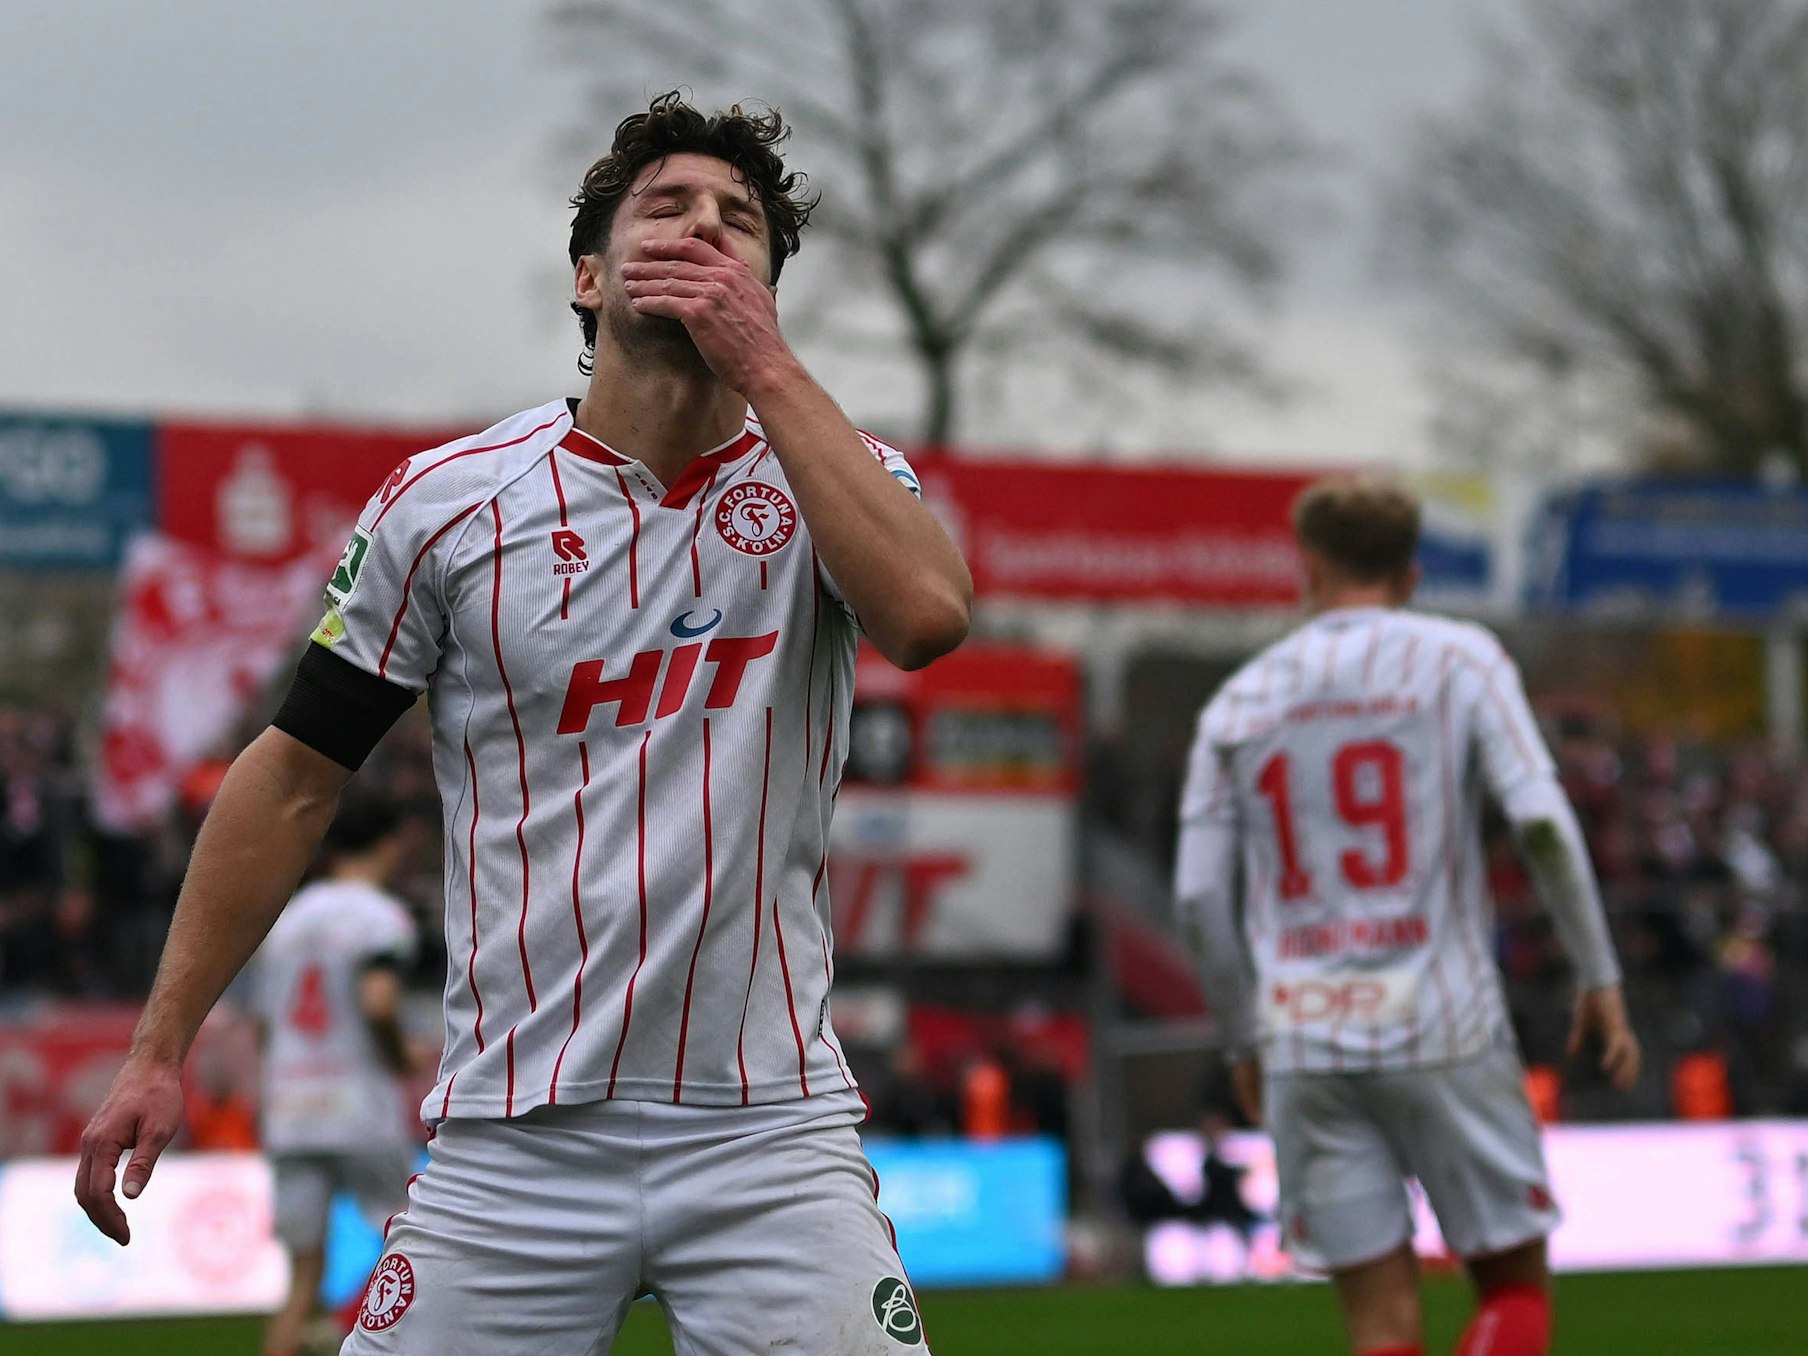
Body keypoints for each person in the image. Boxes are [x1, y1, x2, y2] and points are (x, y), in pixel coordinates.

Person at [75, 92, 972, 1356]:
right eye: (667, 209)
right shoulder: (449, 505)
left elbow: (929, 615)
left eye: (740, 222)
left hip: (768, 1130)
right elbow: (288, 780)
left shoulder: (836, 478)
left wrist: (763, 367)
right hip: (512, 1140)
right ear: (589, 275)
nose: (706, 228)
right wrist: (158, 1046)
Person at [1174, 476, 1639, 1356]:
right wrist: (1599, 974)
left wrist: (1243, 1042)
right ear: (1412, 572)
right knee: (1512, 1289)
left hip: (1304, 1037)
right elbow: (1539, 818)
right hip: (1443, 1015)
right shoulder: (1463, 658)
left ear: (1307, 565)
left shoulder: (1239, 700)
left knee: (1380, 1327)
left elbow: (1199, 895)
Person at [253, 793, 421, 1356]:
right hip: (357, 1105)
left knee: (301, 1279)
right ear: (390, 842)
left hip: (290, 1106)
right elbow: (378, 1002)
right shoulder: (380, 917)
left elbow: (263, 1024)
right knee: (415, 1251)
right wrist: (401, 1057)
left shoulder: (286, 921)